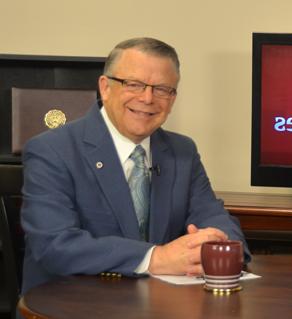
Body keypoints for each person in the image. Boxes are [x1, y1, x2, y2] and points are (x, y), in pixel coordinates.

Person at [20, 37, 250, 294]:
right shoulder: (52, 150)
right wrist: (158, 257)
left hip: (157, 304)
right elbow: (54, 245)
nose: (148, 98)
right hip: (71, 303)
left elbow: (214, 217)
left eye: (162, 89)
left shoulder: (182, 151)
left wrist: (218, 246)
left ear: (172, 99)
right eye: (134, 84)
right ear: (105, 87)